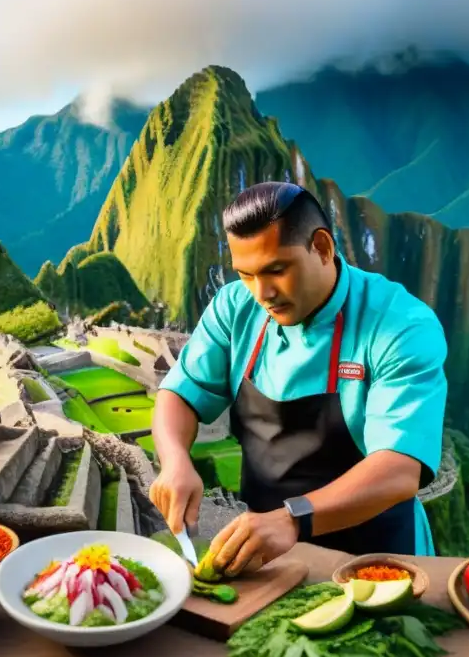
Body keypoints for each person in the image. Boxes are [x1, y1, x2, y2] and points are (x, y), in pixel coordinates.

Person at [148, 181, 448, 576]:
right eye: (246, 275)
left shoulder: (400, 324)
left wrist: (293, 518)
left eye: (277, 270)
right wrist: (174, 461)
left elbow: (399, 467)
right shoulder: (234, 307)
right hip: (268, 557)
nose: (262, 293)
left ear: (322, 248)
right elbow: (180, 394)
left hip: (377, 555)